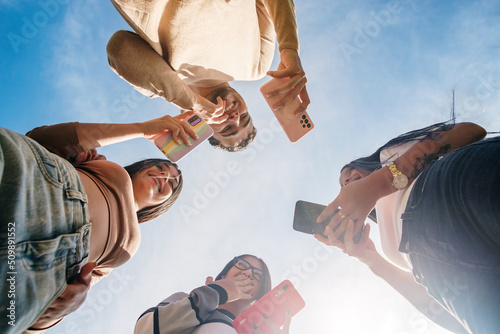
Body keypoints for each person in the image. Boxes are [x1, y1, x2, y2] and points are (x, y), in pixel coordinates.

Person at [0, 114, 196, 333]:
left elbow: (37, 322)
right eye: (161, 167)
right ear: (141, 166)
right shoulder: (100, 164)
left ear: (163, 204)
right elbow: (41, 139)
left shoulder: (128, 247)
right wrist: (142, 128)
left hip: (32, 271)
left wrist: (63, 309)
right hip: (31, 184)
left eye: (173, 182)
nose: (165, 175)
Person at [314, 120, 499, 334]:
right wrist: (371, 259)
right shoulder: (386, 237)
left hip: (442, 190)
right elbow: (443, 312)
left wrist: (378, 184)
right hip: (435, 270)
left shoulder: (389, 156)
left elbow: (470, 131)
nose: (347, 181)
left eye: (349, 173)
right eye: (343, 184)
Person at [107, 0, 310, 152]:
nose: (235, 118)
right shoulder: (256, 67)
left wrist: (193, 103)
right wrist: (289, 47)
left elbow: (119, 47)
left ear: (203, 128)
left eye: (228, 129)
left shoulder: (162, 83)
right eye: (245, 118)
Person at [134, 254, 291, 334]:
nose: (249, 273)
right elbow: (144, 330)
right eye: (242, 264)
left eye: (258, 275)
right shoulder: (185, 301)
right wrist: (215, 292)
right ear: (223, 276)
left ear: (259, 296)